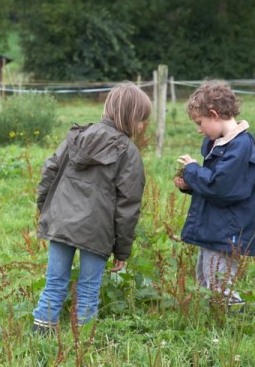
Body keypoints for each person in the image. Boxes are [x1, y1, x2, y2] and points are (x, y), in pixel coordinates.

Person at [32, 81, 151, 334]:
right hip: (98, 231)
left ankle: (40, 337)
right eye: (143, 120)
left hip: (61, 221)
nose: (144, 126)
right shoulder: (129, 154)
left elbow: (48, 172)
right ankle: (83, 344)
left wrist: (47, 211)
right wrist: (122, 250)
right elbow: (128, 207)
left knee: (54, 283)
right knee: (88, 288)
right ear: (132, 118)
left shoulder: (76, 136)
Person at [174, 80, 255, 311]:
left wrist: (193, 170)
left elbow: (221, 187)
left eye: (200, 123)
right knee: (205, 277)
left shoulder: (240, 146)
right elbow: (217, 184)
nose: (199, 129)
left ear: (214, 115)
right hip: (216, 225)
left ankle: (233, 322)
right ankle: (216, 321)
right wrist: (190, 185)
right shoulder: (223, 144)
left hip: (228, 229)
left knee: (220, 282)